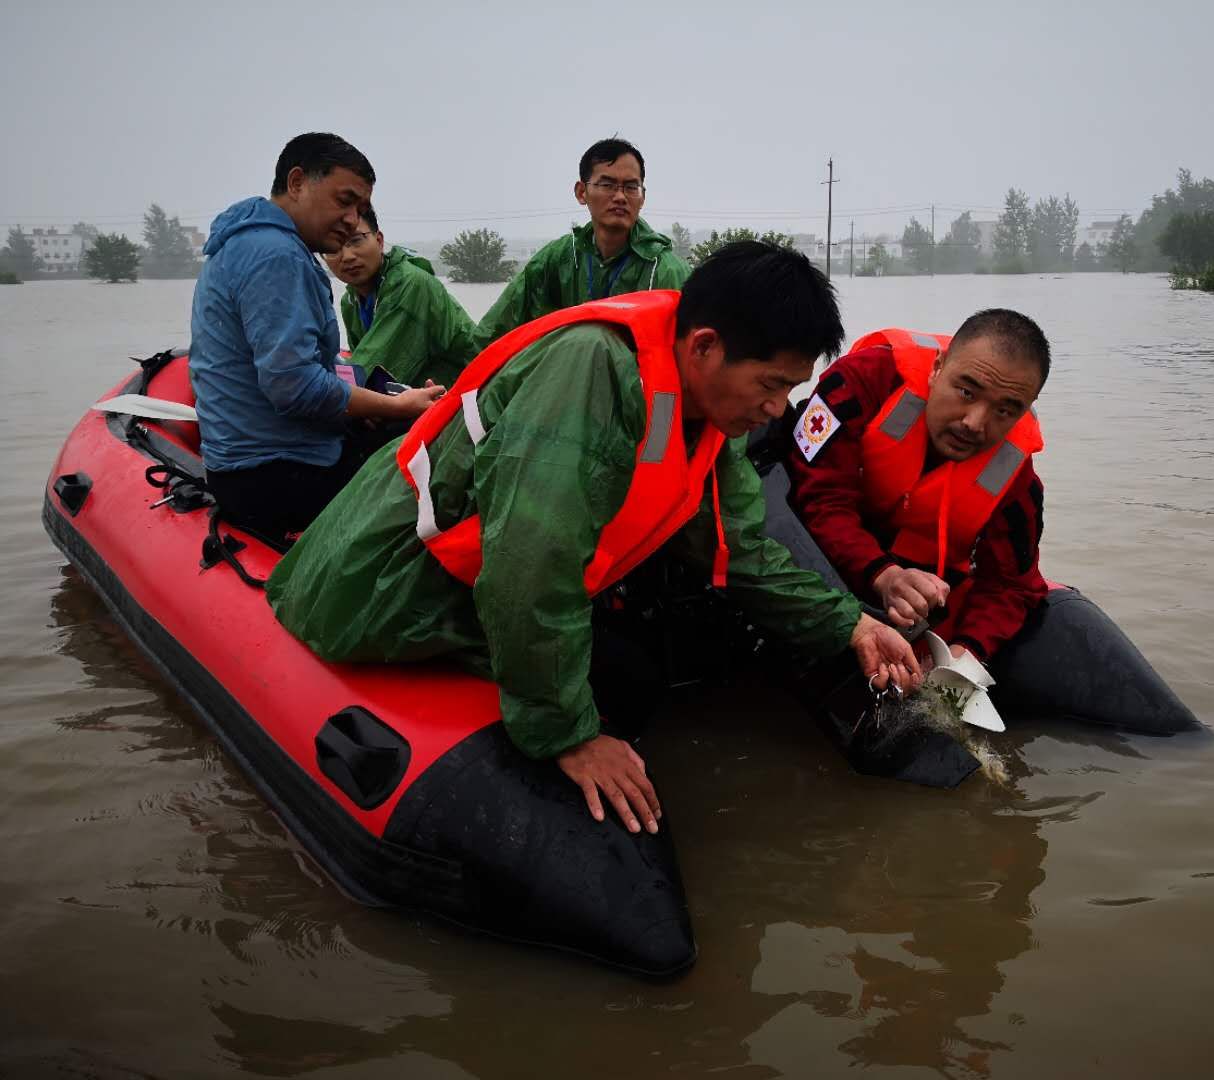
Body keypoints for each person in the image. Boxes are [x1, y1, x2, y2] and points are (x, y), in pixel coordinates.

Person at [267, 242, 922, 832]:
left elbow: (741, 550)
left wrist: (852, 626)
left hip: (468, 582)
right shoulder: (592, 373)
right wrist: (570, 737)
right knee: (620, 684)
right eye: (772, 385)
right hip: (387, 585)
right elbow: (529, 568)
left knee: (638, 670)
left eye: (790, 389)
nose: (779, 409)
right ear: (703, 347)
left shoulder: (709, 415)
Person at [188, 132, 444, 541]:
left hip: (242, 466)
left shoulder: (246, 241)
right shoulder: (278, 256)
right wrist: (397, 407)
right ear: (296, 183)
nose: (351, 218)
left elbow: (308, 366)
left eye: (360, 208)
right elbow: (295, 387)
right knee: (439, 469)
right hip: (276, 475)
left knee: (393, 427)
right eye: (344, 201)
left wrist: (378, 400)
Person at [784, 309, 1050, 667]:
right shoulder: (860, 381)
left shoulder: (1018, 477)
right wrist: (885, 575)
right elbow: (818, 498)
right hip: (827, 564)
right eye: (966, 392)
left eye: (1004, 411)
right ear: (937, 368)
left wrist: (968, 654)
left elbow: (1012, 586)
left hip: (925, 599)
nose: (975, 423)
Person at [471, 137, 690, 350]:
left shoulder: (664, 271)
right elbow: (494, 332)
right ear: (581, 192)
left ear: (642, 197)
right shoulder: (558, 259)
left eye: (631, 187)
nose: (620, 197)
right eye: (608, 184)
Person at [324, 205, 483, 387]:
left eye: (356, 240)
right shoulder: (350, 301)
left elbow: (370, 371)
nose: (347, 256)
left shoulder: (409, 283)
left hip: (465, 393)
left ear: (379, 240)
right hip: (417, 397)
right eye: (333, 247)